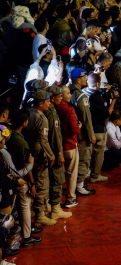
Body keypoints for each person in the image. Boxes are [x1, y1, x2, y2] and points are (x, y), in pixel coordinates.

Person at [4, 109, 41, 247]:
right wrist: (32, 183)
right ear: (24, 123)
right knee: (25, 206)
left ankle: (25, 229)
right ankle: (27, 236)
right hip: (21, 179)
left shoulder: (10, 137)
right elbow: (27, 163)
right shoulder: (21, 142)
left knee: (17, 206)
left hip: (11, 179)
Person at [43, 86, 72, 220]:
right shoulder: (51, 113)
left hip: (49, 151)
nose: (61, 98)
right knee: (57, 179)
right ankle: (55, 209)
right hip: (54, 151)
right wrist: (59, 153)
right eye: (59, 96)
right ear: (52, 98)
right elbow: (54, 135)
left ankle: (47, 205)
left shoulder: (48, 110)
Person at [29, 90, 57, 226]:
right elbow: (43, 140)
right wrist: (51, 155)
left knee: (31, 182)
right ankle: (40, 215)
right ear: (40, 104)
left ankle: (34, 210)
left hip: (27, 154)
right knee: (41, 184)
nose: (49, 103)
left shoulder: (27, 112)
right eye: (47, 101)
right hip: (39, 154)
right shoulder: (42, 118)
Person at [68, 67, 97, 197]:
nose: (86, 79)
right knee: (84, 158)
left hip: (71, 131)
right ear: (78, 80)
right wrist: (91, 134)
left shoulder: (68, 91)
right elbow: (86, 117)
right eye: (84, 77)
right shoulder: (81, 95)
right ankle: (79, 186)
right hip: (82, 133)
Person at [86, 73, 117, 183]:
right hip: (98, 128)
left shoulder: (83, 94)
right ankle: (95, 176)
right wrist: (113, 101)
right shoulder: (97, 98)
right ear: (98, 84)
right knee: (99, 154)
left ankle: (86, 173)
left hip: (87, 129)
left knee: (87, 154)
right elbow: (106, 114)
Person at [57, 85, 81, 208]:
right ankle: (70, 199)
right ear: (61, 95)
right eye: (68, 93)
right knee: (71, 174)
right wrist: (79, 128)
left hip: (57, 147)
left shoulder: (52, 108)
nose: (70, 95)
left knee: (57, 175)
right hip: (70, 145)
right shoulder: (68, 109)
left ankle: (54, 202)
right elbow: (73, 129)